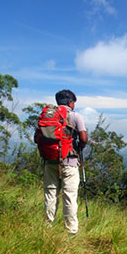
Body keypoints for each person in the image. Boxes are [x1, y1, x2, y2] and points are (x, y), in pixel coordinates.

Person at [36, 89, 88, 234]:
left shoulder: (48, 116)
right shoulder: (75, 116)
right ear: (70, 102)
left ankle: (46, 227)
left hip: (49, 160)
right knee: (69, 196)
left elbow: (37, 138)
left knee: (50, 194)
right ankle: (71, 230)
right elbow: (84, 139)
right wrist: (78, 147)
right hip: (69, 161)